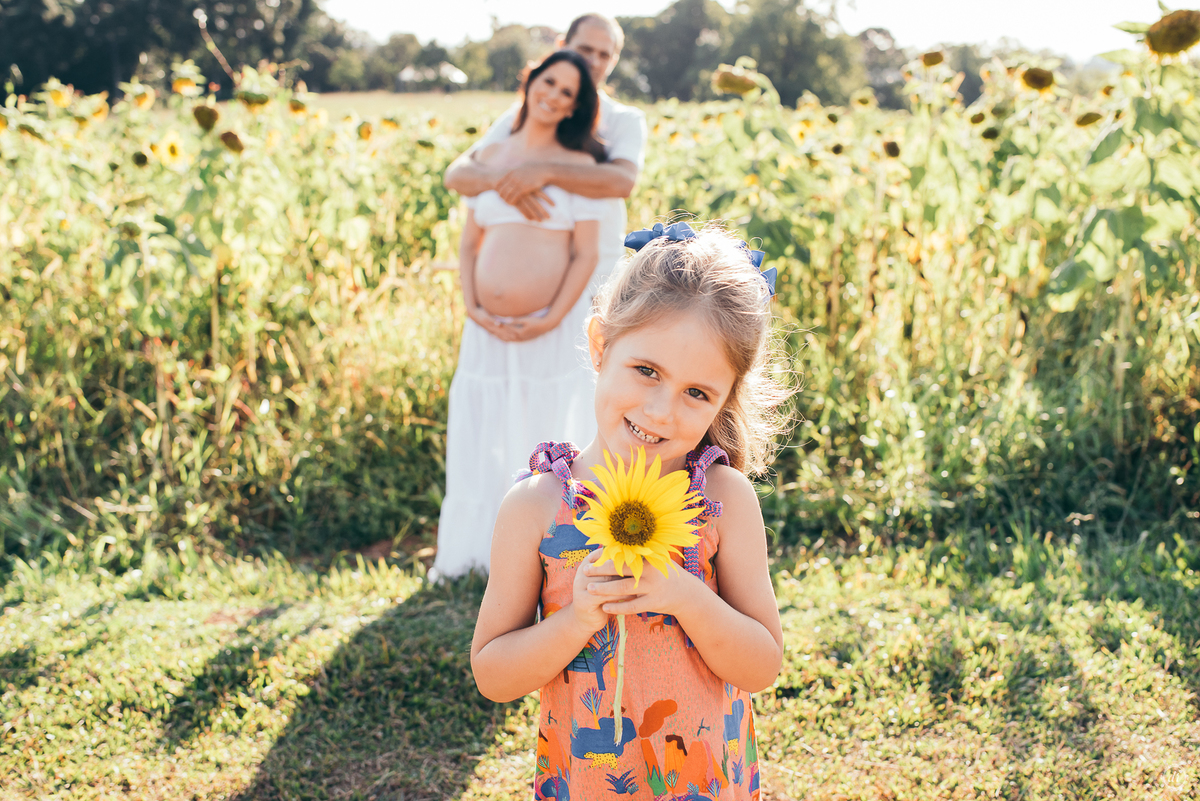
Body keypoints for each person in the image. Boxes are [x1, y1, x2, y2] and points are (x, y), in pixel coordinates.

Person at [471, 223, 789, 799]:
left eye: (697, 393)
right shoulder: (537, 508)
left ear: (724, 400)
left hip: (705, 782)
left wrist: (686, 594)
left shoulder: (722, 502)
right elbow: (493, 673)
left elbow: (761, 666)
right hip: (588, 781)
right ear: (600, 346)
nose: (662, 411)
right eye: (646, 371)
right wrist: (577, 618)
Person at [435, 14, 648, 579]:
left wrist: (537, 172)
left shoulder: (621, 123)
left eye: (605, 56)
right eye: (584, 50)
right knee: (490, 415)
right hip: (494, 314)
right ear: (560, 50)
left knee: (563, 408)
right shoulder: (516, 120)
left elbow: (618, 181)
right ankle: (476, 547)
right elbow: (461, 175)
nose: (593, 64)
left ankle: (555, 545)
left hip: (583, 290)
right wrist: (511, 178)